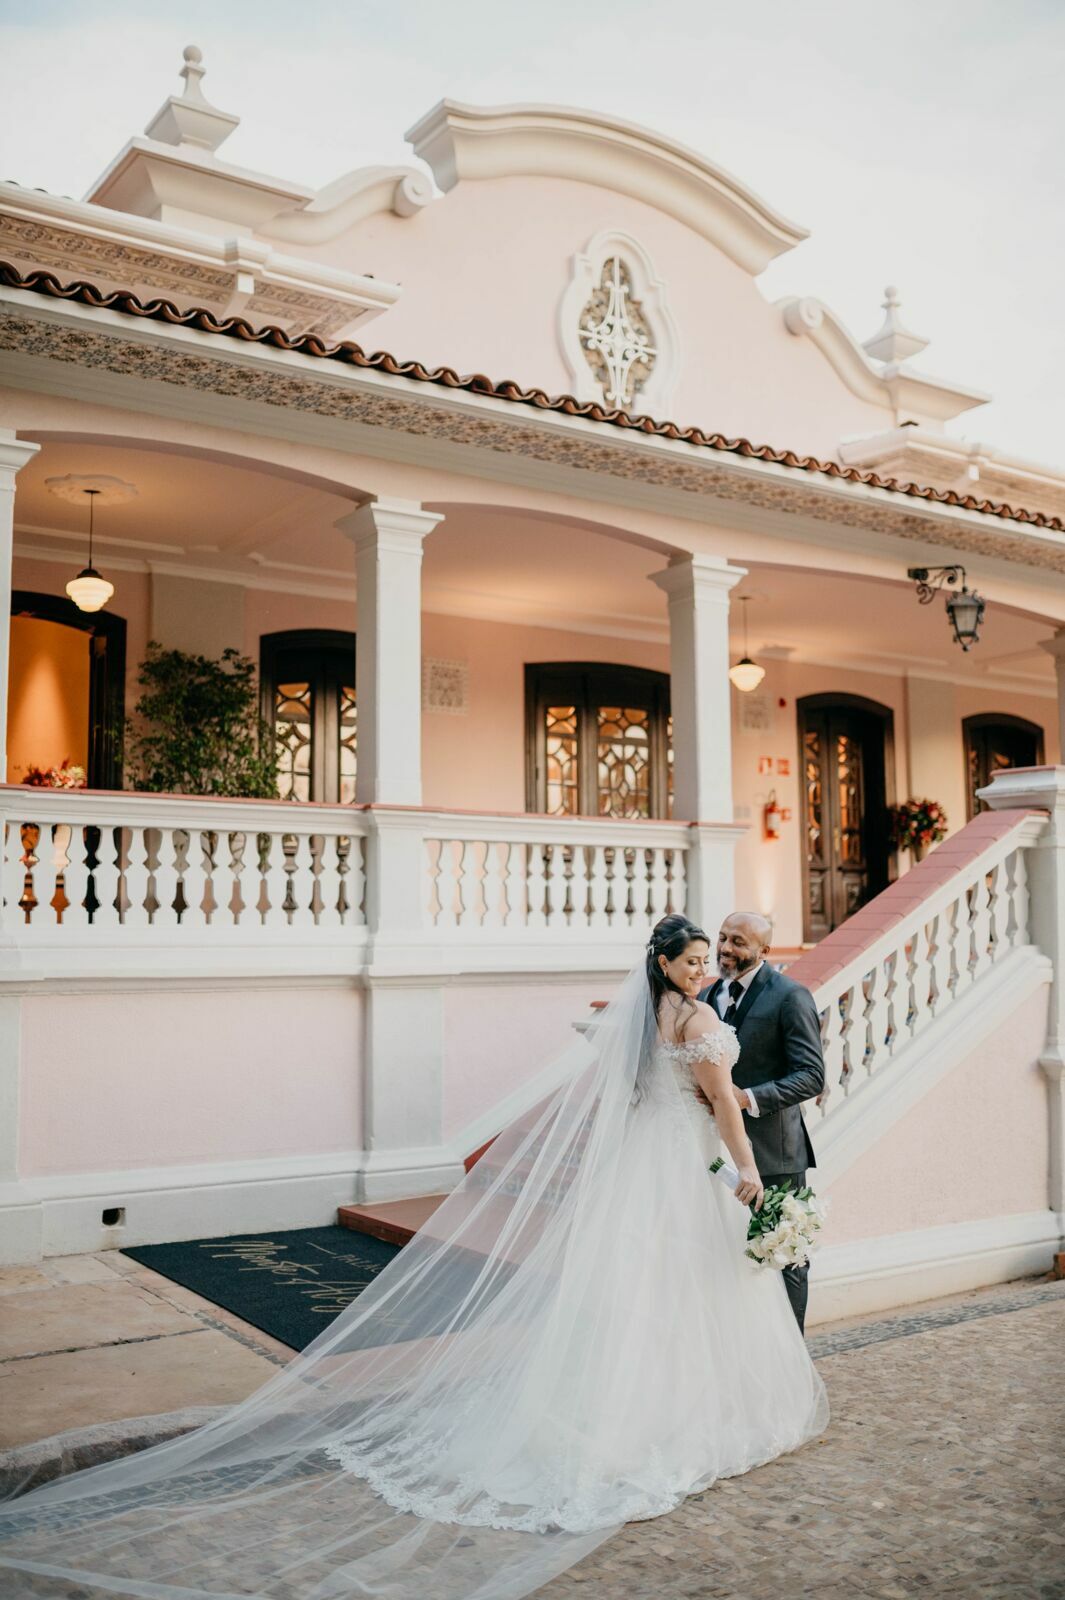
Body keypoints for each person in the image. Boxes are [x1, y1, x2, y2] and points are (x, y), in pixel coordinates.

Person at [0, 914, 828, 1600]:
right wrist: (745, 1171)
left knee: (637, 1288)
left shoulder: (644, 1019)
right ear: (666, 962)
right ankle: (680, 1419)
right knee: (686, 1285)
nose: (703, 969)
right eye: (692, 959)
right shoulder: (701, 1019)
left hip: (647, 1164)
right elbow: (720, 1102)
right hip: (689, 1164)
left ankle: (621, 1409)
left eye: (707, 958)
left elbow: (651, 1093)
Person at [699, 911, 826, 1332]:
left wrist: (746, 1098)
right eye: (722, 938)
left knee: (785, 1257)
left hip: (776, 1154)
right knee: (730, 1258)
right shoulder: (706, 997)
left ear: (764, 951)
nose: (725, 949)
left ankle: (794, 1362)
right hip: (720, 1154)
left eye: (738, 941)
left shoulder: (790, 996)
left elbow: (811, 1075)